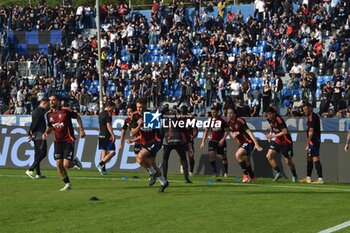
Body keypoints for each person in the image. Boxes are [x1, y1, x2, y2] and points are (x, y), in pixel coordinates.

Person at [42, 94, 85, 191]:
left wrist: (81, 130)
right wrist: (46, 133)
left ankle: (75, 162)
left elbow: (77, 116)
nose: (51, 102)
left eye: (53, 100)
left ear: (58, 101)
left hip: (68, 140)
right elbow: (50, 126)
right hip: (57, 142)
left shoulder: (65, 111)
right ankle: (67, 183)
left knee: (66, 165)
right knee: (58, 164)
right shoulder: (48, 115)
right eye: (50, 100)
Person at [130, 98, 169, 192]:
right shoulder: (134, 116)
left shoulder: (152, 114)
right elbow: (133, 132)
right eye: (137, 107)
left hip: (155, 141)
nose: (139, 109)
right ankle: (164, 182)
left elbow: (158, 129)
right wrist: (139, 125)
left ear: (145, 106)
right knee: (141, 160)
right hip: (145, 142)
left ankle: (152, 173)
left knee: (141, 156)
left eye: (141, 107)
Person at [225, 106, 263, 183]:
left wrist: (256, 144)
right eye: (228, 113)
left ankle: (245, 175)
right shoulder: (229, 123)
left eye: (231, 113)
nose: (229, 115)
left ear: (235, 114)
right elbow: (231, 133)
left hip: (248, 141)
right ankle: (252, 176)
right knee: (246, 161)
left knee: (238, 155)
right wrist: (233, 134)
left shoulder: (240, 121)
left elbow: (249, 132)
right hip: (242, 143)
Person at [265, 106, 298, 182]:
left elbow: (285, 131)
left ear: (274, 113)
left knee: (288, 162)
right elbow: (271, 125)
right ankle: (278, 172)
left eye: (270, 114)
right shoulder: (269, 119)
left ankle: (294, 175)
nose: (268, 116)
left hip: (286, 141)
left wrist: (272, 136)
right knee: (269, 155)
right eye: (267, 114)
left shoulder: (279, 120)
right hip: (278, 140)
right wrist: (270, 133)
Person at [161, 105, 192, 183]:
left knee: (165, 160)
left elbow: (161, 132)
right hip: (179, 141)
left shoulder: (165, 121)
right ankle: (186, 179)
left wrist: (162, 141)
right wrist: (189, 145)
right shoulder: (179, 122)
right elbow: (186, 133)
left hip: (168, 142)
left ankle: (164, 178)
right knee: (183, 159)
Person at [200, 105, 229, 177]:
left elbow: (226, 131)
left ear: (218, 112)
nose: (213, 114)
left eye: (215, 112)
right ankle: (215, 172)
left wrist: (223, 139)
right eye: (212, 112)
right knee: (211, 154)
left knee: (223, 157)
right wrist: (203, 141)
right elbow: (206, 131)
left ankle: (226, 172)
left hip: (221, 141)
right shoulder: (209, 120)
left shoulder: (222, 120)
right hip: (212, 140)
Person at [300, 102, 324, 184]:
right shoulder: (310, 116)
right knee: (309, 158)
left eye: (305, 108)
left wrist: (307, 143)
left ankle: (320, 179)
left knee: (315, 158)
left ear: (310, 108)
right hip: (312, 141)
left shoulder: (312, 117)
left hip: (314, 141)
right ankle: (308, 177)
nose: (304, 110)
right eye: (303, 109)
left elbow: (311, 131)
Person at [25, 98, 50, 179]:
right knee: (43, 153)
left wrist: (30, 132)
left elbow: (33, 123)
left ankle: (38, 173)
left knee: (37, 154)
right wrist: (32, 132)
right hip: (39, 134)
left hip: (36, 135)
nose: (48, 106)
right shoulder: (39, 112)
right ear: (44, 103)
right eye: (47, 105)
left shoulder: (36, 111)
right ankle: (30, 170)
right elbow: (35, 124)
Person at [96, 101, 116, 175]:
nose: (113, 110)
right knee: (113, 152)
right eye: (112, 108)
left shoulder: (101, 113)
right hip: (107, 135)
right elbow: (108, 125)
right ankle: (100, 164)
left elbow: (99, 125)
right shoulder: (108, 114)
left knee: (104, 152)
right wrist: (112, 134)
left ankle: (103, 170)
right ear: (109, 106)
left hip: (101, 134)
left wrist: (101, 132)